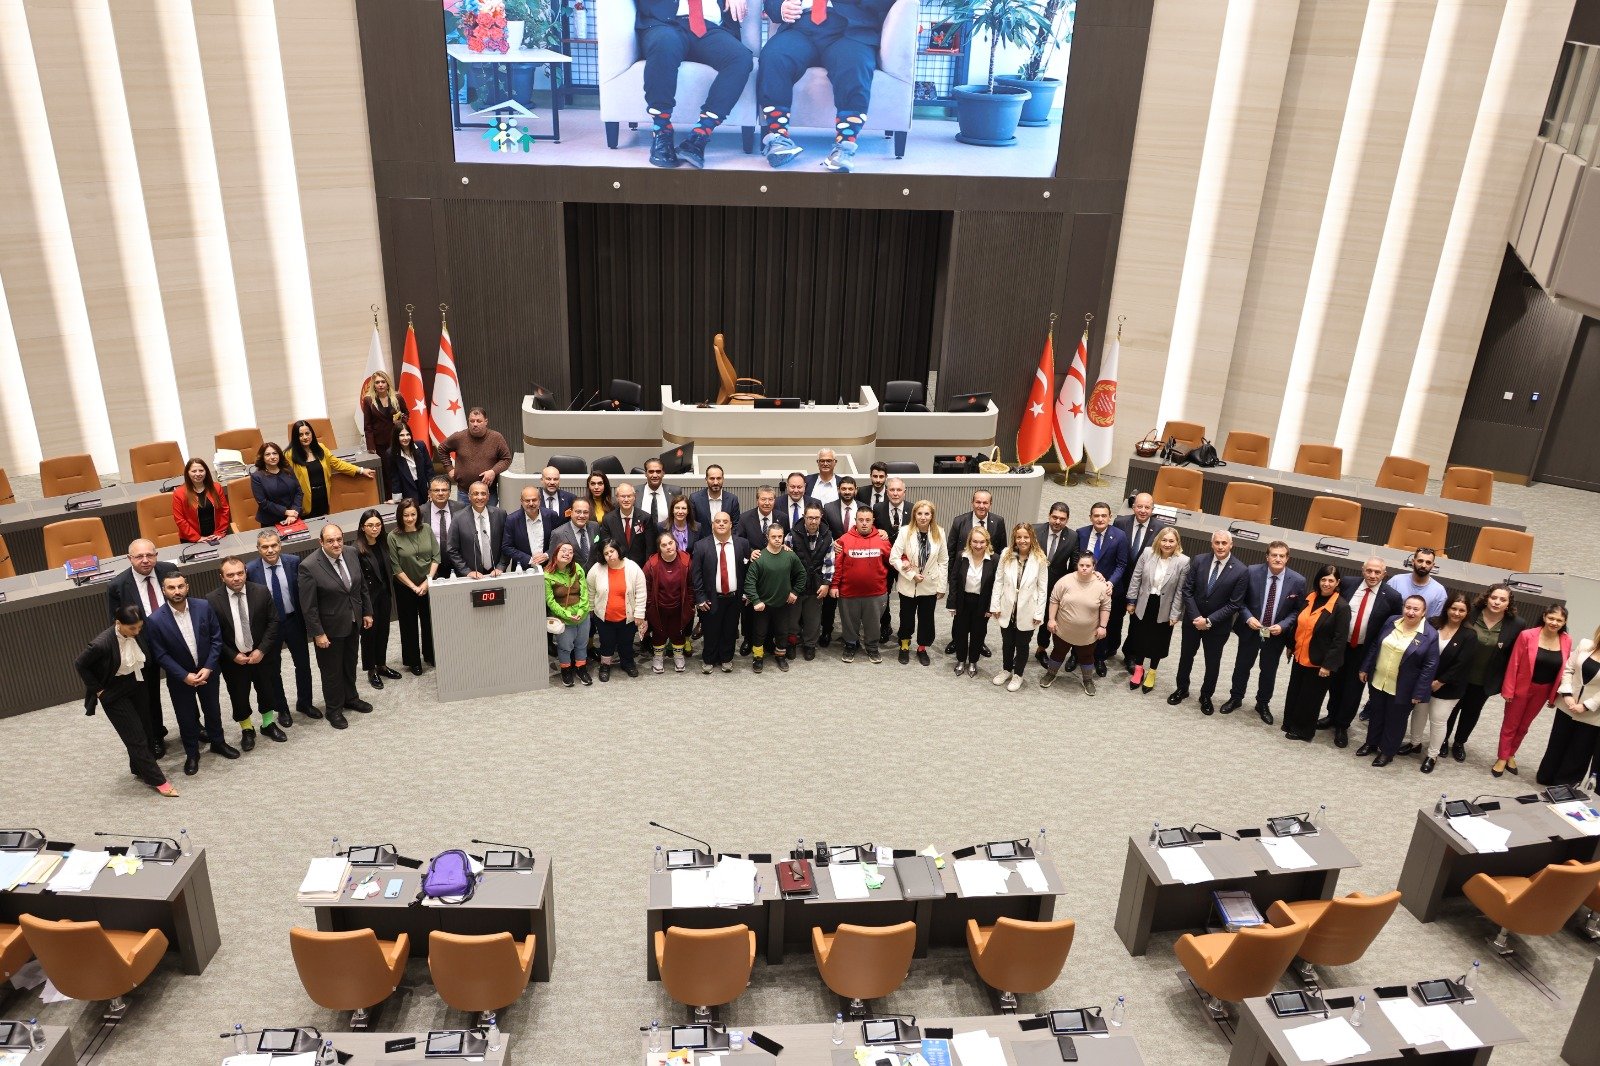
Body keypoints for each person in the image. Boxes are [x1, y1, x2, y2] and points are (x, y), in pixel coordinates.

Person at [756, 0, 893, 172]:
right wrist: (781, 7)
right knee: (774, 56)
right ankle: (779, 139)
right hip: (800, 27)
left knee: (854, 63)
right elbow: (771, 3)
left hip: (848, 29)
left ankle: (845, 146)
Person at [633, 0, 755, 168]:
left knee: (741, 58)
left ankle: (699, 136)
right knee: (664, 43)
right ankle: (662, 130)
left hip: (709, 27)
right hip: (665, 23)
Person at [74, 605, 177, 796]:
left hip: (136, 684)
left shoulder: (137, 632)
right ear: (118, 623)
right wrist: (99, 691)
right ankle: (158, 780)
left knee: (146, 730)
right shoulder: (101, 644)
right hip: (113, 692)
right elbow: (80, 663)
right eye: (132, 629)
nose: (137, 632)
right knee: (135, 737)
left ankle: (138, 768)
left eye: (139, 628)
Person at [145, 573, 239, 775]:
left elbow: (216, 639)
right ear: (164, 590)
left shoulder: (204, 607)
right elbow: (160, 654)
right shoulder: (154, 620)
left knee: (213, 709)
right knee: (186, 717)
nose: (177, 591)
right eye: (171, 588)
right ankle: (192, 753)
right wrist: (183, 675)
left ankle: (218, 742)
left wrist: (209, 667)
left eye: (180, 586)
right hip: (180, 679)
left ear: (187, 587)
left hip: (208, 672)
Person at [1318, 558, 1404, 747]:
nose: (1373, 576)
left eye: (1377, 572)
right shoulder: (1348, 583)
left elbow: (1394, 625)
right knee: (1334, 683)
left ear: (1384, 574)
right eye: (1369, 571)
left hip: (1365, 651)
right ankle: (1332, 716)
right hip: (1341, 645)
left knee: (1353, 689)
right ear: (1363, 570)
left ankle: (1342, 725)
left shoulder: (1392, 596)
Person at [298, 523, 374, 729]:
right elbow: (309, 606)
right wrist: (318, 633)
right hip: (329, 629)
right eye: (330, 540)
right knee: (331, 670)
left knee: (350, 662)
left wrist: (366, 611)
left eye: (339, 539)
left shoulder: (351, 552)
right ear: (321, 542)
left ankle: (351, 697)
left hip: (353, 621)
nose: (336, 544)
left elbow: (360, 586)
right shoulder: (309, 566)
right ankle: (334, 709)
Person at [1438, 585, 1525, 764]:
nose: (1497, 602)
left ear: (1509, 604)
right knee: (1451, 708)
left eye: (1503, 600)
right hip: (1458, 674)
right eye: (1494, 597)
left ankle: (1460, 743)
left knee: (1471, 712)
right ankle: (1443, 740)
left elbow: (1513, 656)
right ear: (1487, 597)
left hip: (1485, 678)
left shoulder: (1516, 624)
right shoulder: (1470, 613)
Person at [1222, 541, 1307, 725]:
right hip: (1251, 630)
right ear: (1266, 556)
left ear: (1287, 558)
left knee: (1268, 671)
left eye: (1282, 556)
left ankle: (1262, 704)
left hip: (1276, 634)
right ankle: (1236, 698)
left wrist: (1284, 625)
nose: (1277, 559)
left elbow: (1297, 611)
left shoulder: (1298, 581)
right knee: (1242, 666)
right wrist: (1247, 617)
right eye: (1274, 555)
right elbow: (1240, 601)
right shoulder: (1251, 572)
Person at [205, 556, 285, 750]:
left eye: (240, 573)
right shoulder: (211, 600)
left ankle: (267, 724)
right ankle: (247, 729)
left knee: (266, 689)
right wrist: (232, 655)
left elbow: (274, 622)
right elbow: (213, 634)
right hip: (233, 659)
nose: (236, 578)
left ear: (245, 572)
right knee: (239, 696)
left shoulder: (261, 591)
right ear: (222, 577)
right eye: (230, 575)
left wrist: (262, 649)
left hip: (261, 656)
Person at [1167, 530, 1247, 714]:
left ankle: (1206, 695)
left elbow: (1234, 604)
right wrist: (1197, 618)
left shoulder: (1241, 570)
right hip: (1192, 622)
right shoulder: (1199, 560)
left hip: (1217, 627)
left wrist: (1209, 621)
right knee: (1186, 656)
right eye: (1217, 543)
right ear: (1212, 544)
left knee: (1212, 663)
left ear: (1231, 545)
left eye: (1224, 543)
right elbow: (1187, 590)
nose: (1220, 546)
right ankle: (1182, 689)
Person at [107, 539, 175, 754]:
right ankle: (155, 736)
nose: (145, 560)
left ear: (156, 554)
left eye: (150, 555)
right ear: (129, 559)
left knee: (184, 686)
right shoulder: (117, 586)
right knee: (149, 696)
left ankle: (195, 726)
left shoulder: (169, 570)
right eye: (139, 556)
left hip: (174, 640)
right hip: (142, 647)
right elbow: (117, 622)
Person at [1357, 595, 1440, 767]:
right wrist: (1365, 667)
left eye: (1416, 609)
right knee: (1377, 713)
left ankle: (1387, 752)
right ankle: (1371, 743)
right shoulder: (1391, 621)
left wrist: (1419, 692)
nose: (1410, 612)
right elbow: (1376, 645)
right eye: (1407, 607)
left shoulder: (1430, 635)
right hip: (1380, 679)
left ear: (1424, 612)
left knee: (1395, 721)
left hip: (1404, 687)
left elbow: (1429, 666)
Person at [1397, 592, 1471, 773]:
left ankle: (1432, 755)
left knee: (1438, 720)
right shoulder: (1432, 623)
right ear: (1447, 608)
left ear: (1467, 613)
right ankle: (1415, 744)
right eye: (1454, 608)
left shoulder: (1469, 635)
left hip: (1448, 687)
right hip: (1423, 681)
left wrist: (1441, 681)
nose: (1456, 613)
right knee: (1419, 714)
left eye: (1461, 610)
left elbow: (1462, 664)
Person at [247, 531, 317, 723]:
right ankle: (282, 709)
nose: (270, 550)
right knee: (273, 669)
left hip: (294, 621)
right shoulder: (250, 570)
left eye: (273, 545)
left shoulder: (294, 562)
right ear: (258, 548)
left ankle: (305, 703)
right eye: (265, 546)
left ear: (280, 545)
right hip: (270, 627)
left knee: (302, 664)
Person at [1495, 603, 1572, 777]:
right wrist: (1508, 689)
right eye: (1551, 618)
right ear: (1544, 616)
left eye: (1559, 620)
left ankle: (1511, 754)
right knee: (1510, 724)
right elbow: (1514, 663)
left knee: (1524, 726)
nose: (1554, 622)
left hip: (1543, 690)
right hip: (1521, 687)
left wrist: (1555, 696)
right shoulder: (1527, 635)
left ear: (1564, 622)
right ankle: (1502, 757)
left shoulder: (1567, 640)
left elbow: (1564, 668)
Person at [1280, 565, 1350, 742]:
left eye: (1331, 580)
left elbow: (1340, 640)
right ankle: (1290, 723)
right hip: (1300, 654)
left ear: (1337, 583)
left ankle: (1303, 731)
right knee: (1295, 691)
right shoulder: (1310, 597)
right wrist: (1290, 645)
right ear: (1318, 580)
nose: (1326, 584)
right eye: (1323, 579)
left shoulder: (1341, 607)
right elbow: (1298, 624)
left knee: (1310, 697)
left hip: (1320, 661)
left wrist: (1328, 665)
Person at [1108, 493, 1171, 673]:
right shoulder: (1121, 522)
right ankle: (1111, 647)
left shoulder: (1160, 528)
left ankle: (1130, 655)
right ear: (1133, 506)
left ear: (1153, 509)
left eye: (1147, 507)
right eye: (1139, 506)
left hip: (1143, 586)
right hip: (1120, 580)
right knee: (1114, 618)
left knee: (1137, 623)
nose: (1143, 511)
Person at [1123, 525, 1188, 694]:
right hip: (1144, 603)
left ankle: (1152, 672)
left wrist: (1175, 614)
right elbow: (1136, 577)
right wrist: (1131, 600)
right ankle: (1138, 670)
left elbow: (1180, 591)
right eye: (1164, 540)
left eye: (1171, 541)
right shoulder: (1147, 553)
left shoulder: (1183, 561)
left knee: (1158, 641)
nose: (1167, 544)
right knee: (1139, 638)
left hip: (1164, 606)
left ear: (1177, 543)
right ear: (1158, 540)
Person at [944, 490, 1008, 658]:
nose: (981, 506)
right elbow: (951, 551)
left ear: (990, 504)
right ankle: (956, 640)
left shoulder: (998, 522)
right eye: (978, 502)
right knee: (959, 617)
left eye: (985, 502)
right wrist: (952, 578)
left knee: (981, 619)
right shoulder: (960, 521)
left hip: (985, 579)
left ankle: (978, 642)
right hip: (963, 574)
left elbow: (1001, 551)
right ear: (972, 502)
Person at [1539, 621, 1600, 787]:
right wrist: (1567, 694)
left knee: (1579, 749)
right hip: (1567, 704)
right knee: (1557, 741)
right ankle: (1547, 776)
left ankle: (1565, 784)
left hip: (1592, 713)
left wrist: (1586, 705)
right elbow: (1568, 669)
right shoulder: (1586, 644)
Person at [1041, 554, 1112, 694]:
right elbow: (1054, 600)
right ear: (1077, 565)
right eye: (1081, 565)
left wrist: (1103, 626)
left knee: (1087, 656)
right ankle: (1050, 674)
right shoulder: (1065, 581)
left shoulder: (1101, 586)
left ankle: (1088, 680)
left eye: (1088, 566)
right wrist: (1051, 619)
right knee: (1058, 652)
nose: (1084, 568)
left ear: (1094, 567)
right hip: (1063, 629)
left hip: (1088, 633)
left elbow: (1105, 607)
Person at [990, 523, 1049, 691]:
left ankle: (1018, 674)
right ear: (1014, 538)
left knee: (1022, 645)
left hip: (1028, 609)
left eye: (1026, 537)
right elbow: (999, 581)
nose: (1022, 540)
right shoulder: (1006, 555)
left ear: (1032, 538)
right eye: (1019, 537)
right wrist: (995, 604)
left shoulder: (1039, 558)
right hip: (1007, 607)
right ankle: (1006, 669)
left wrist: (1039, 613)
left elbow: (1043, 588)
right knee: (1007, 642)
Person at [831, 504, 891, 664]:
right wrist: (835, 585)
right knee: (850, 622)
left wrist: (906, 562)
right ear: (855, 521)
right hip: (849, 592)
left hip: (876, 592)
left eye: (867, 520)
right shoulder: (844, 540)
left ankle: (872, 647)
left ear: (873, 521)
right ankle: (851, 644)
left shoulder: (882, 540)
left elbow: (893, 559)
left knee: (873, 623)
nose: (864, 523)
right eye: (861, 520)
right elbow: (838, 565)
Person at [692, 511, 750, 672]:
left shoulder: (742, 544)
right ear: (712, 525)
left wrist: (746, 592)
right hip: (711, 598)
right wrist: (700, 598)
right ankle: (709, 659)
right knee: (711, 630)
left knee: (730, 630)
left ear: (731, 524)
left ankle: (726, 658)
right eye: (718, 521)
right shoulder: (701, 545)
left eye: (725, 521)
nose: (722, 524)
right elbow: (696, 575)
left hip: (735, 597)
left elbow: (748, 571)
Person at [387, 498, 439, 676]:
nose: (409, 518)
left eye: (413, 514)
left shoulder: (427, 529)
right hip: (404, 586)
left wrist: (427, 582)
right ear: (400, 516)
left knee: (429, 621)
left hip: (428, 583)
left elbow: (436, 557)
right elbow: (396, 568)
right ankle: (413, 661)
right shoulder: (393, 536)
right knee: (408, 624)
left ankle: (431, 655)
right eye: (405, 515)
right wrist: (413, 587)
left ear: (418, 514)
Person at [890, 499, 946, 665]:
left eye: (927, 514)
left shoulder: (939, 533)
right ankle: (905, 646)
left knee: (926, 619)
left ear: (932, 516)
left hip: (930, 584)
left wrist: (942, 586)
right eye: (919, 513)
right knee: (906, 617)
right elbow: (893, 557)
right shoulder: (905, 531)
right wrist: (911, 575)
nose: (923, 517)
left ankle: (922, 648)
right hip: (908, 583)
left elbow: (943, 561)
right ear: (914, 514)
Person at [744, 522, 805, 672]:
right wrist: (756, 600)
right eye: (774, 537)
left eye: (780, 536)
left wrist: (795, 592)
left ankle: (780, 656)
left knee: (782, 632)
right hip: (762, 606)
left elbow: (802, 574)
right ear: (767, 537)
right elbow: (749, 583)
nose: (777, 539)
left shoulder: (790, 555)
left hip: (783, 604)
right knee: (759, 633)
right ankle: (758, 658)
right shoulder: (759, 558)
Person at [1078, 502, 1130, 675]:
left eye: (1104, 516)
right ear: (1090, 517)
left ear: (1110, 517)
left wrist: (1110, 582)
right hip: (1085, 588)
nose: (1100, 519)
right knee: (1082, 622)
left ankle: (1099, 658)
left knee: (1103, 625)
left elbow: (1122, 564)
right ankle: (1075, 655)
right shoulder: (1081, 533)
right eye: (1096, 515)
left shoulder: (1120, 536)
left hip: (1109, 589)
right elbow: (1076, 562)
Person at [735, 485, 787, 656]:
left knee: (772, 607)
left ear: (774, 500)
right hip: (753, 571)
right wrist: (750, 551)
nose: (767, 503)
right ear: (757, 499)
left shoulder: (782, 517)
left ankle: (768, 640)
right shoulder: (744, 518)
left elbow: (786, 540)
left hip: (774, 573)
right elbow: (738, 542)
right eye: (763, 499)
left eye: (770, 499)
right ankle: (749, 639)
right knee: (751, 607)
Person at [287, 419, 373, 518]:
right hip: (305, 502)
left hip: (323, 497)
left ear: (312, 434)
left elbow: (337, 464)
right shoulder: (290, 455)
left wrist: (361, 470)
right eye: (300, 435)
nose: (305, 437)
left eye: (307, 433)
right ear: (295, 437)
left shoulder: (321, 448)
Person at [588, 541, 647, 681]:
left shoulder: (633, 567)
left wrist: (639, 614)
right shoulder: (596, 569)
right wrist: (590, 610)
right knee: (606, 643)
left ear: (618, 550)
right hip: (604, 618)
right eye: (606, 553)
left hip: (627, 617)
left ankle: (627, 663)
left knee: (626, 642)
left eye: (612, 551)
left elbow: (641, 592)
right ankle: (605, 665)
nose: (609, 555)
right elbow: (590, 590)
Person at [355, 508, 398, 690]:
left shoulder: (384, 543)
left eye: (378, 525)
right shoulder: (356, 550)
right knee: (369, 635)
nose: (375, 529)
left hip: (384, 595)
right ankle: (371, 670)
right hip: (368, 598)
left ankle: (381, 664)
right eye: (370, 525)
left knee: (384, 631)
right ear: (362, 528)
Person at [1032, 502, 1079, 667]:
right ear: (1049, 516)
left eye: (1062, 519)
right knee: (1027, 617)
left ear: (1067, 520)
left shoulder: (1073, 537)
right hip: (1032, 584)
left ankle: (1041, 649)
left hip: (1055, 586)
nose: (1057, 522)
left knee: (1047, 620)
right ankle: (1021, 648)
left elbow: (1074, 565)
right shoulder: (1035, 530)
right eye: (1054, 517)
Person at [786, 503, 834, 661]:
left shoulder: (827, 535)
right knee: (792, 619)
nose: (813, 521)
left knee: (813, 619)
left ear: (821, 518)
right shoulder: (792, 535)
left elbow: (829, 562)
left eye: (816, 518)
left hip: (817, 584)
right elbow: (785, 563)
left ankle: (810, 645)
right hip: (796, 584)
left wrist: (826, 584)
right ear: (804, 518)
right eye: (810, 518)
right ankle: (791, 643)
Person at [948, 527, 998, 677]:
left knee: (978, 633)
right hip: (963, 600)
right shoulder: (961, 556)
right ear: (970, 542)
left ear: (987, 542)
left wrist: (992, 607)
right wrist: (952, 603)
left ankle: (973, 661)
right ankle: (961, 660)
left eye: (982, 542)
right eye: (975, 541)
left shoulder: (995, 559)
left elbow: (997, 585)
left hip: (982, 602)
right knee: (960, 632)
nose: (978, 545)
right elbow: (954, 580)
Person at [441, 406, 512, 506]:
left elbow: (506, 459)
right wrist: (449, 468)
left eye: (479, 421)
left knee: (490, 521)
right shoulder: (459, 437)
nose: (475, 424)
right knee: (465, 521)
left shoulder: (496, 438)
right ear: (468, 421)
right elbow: (442, 449)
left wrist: (493, 471)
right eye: (472, 421)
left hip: (488, 493)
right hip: (464, 493)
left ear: (486, 421)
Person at [645, 532, 695, 673]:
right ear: (659, 548)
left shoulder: (686, 562)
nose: (668, 547)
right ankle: (658, 657)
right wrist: (649, 606)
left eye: (670, 543)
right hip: (658, 607)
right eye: (664, 545)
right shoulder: (651, 564)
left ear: (676, 543)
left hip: (679, 606)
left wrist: (690, 604)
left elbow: (691, 586)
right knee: (659, 632)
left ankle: (678, 656)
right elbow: (646, 588)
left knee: (677, 632)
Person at [545, 541, 592, 686]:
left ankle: (581, 668)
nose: (567, 554)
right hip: (563, 618)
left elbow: (584, 592)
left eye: (571, 552)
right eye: (564, 551)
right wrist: (566, 614)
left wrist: (581, 611)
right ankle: (566, 670)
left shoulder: (577, 568)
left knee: (582, 644)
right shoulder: (547, 575)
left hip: (582, 615)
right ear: (555, 554)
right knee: (565, 647)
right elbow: (550, 602)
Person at [446, 481, 508, 578]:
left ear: (488, 496)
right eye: (475, 494)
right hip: (471, 576)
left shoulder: (500, 514)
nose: (479, 497)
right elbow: (452, 549)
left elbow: (507, 544)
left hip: (496, 573)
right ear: (469, 496)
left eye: (483, 494)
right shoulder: (458, 518)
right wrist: (467, 571)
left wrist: (501, 566)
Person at [874, 476, 909, 644]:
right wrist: (878, 531)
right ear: (886, 492)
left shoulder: (913, 508)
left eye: (898, 490)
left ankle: (904, 630)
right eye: (892, 490)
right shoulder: (877, 508)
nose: (895, 493)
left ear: (904, 492)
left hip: (906, 562)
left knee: (906, 597)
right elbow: (871, 530)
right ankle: (885, 625)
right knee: (883, 596)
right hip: (884, 562)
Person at [171, 457, 230, 544]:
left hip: (217, 536)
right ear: (187, 473)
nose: (198, 474)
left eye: (201, 470)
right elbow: (180, 519)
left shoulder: (216, 487)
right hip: (191, 540)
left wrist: (220, 532)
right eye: (194, 471)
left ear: (206, 472)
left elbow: (224, 510)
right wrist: (197, 538)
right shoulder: (179, 493)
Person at [602, 482, 658, 567]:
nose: (626, 499)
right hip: (617, 566)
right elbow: (606, 547)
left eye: (629, 496)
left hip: (641, 567)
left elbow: (650, 548)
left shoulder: (645, 518)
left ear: (634, 497)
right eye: (623, 496)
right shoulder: (608, 519)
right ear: (617, 498)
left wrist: (647, 569)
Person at [250, 442, 304, 528]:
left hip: (293, 517)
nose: (272, 457)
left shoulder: (288, 469)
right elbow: (263, 503)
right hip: (271, 521)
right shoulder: (257, 476)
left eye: (275, 453)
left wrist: (293, 512)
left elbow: (299, 491)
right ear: (262, 458)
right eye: (267, 454)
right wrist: (286, 512)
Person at [425, 475, 469, 579]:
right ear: (429, 493)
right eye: (436, 490)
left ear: (449, 492)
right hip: (432, 565)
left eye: (444, 490)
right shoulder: (421, 512)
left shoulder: (461, 508)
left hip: (458, 562)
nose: (440, 493)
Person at [1387, 547, 1448, 621]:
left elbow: (1434, 622)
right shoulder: (1395, 581)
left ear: (1433, 565)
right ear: (1413, 561)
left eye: (1428, 562)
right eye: (1420, 561)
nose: (1423, 565)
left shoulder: (1439, 592)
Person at [504, 485, 555, 571]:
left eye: (534, 500)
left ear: (539, 500)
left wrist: (547, 555)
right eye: (527, 500)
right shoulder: (512, 520)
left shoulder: (551, 516)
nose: (531, 503)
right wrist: (530, 560)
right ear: (521, 501)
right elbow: (507, 547)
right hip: (522, 569)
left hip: (549, 568)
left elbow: (558, 541)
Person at [386, 424, 435, 505]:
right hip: (407, 491)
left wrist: (433, 490)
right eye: (401, 435)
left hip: (423, 488)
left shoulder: (420, 446)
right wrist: (396, 499)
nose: (405, 438)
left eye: (408, 434)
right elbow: (395, 478)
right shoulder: (391, 453)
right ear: (396, 437)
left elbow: (429, 470)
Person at [361, 370, 404, 458]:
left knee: (399, 467)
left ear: (387, 383)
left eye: (383, 382)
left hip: (397, 438)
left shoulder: (397, 397)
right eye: (377, 382)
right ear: (374, 385)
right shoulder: (368, 400)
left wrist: (400, 420)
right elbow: (367, 425)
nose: (380, 385)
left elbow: (406, 413)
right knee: (385, 469)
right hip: (379, 443)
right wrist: (371, 446)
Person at [550, 499, 598, 571]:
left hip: (593, 576)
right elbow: (553, 561)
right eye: (578, 512)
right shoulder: (558, 533)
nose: (582, 515)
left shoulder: (595, 526)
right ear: (571, 512)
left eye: (585, 512)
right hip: (571, 578)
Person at [690, 464, 742, 530]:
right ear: (706, 480)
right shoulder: (695, 499)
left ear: (723, 479)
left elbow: (736, 526)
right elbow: (692, 525)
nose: (715, 482)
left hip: (725, 540)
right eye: (712, 478)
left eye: (719, 478)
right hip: (702, 539)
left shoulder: (732, 499)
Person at [638, 458, 673, 527]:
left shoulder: (674, 492)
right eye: (651, 471)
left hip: (666, 535)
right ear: (645, 474)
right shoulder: (635, 492)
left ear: (663, 473)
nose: (654, 475)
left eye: (658, 471)